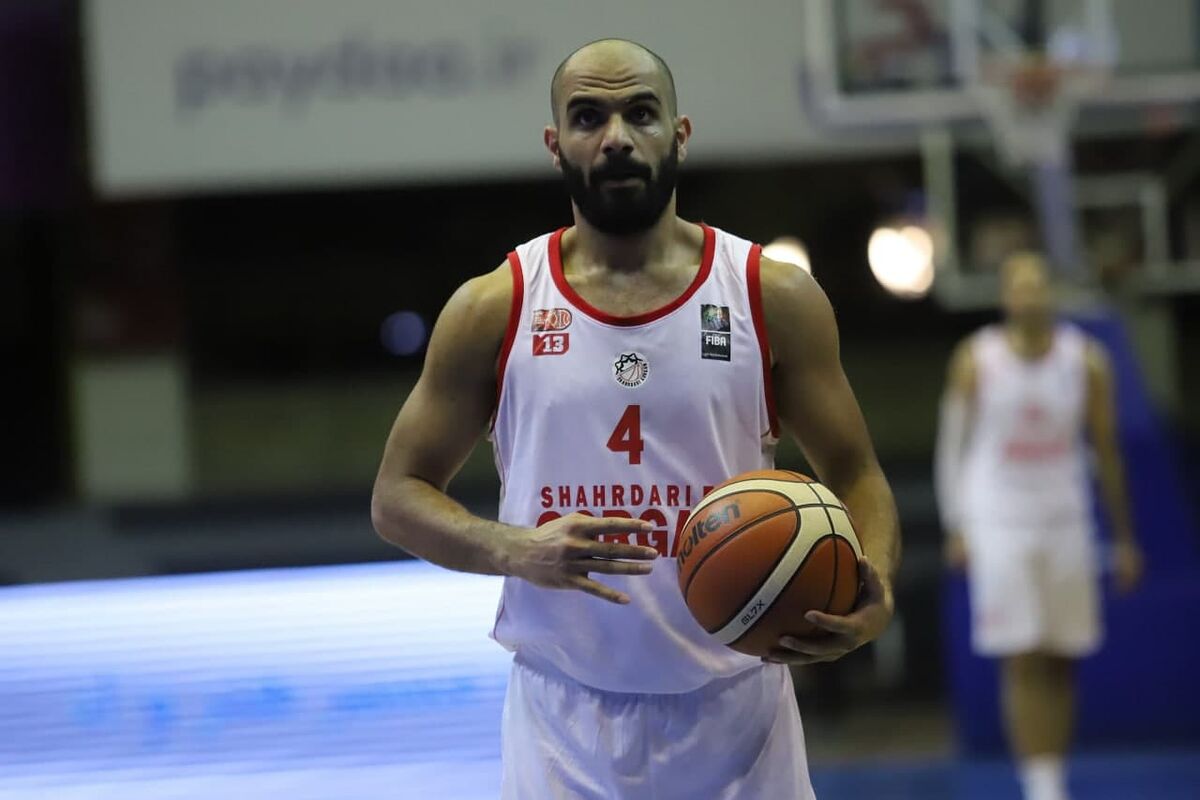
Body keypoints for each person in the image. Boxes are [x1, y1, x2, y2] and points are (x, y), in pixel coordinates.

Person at [371, 38, 900, 799]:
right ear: (556, 145)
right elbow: (396, 497)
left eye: (640, 114)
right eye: (588, 117)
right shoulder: (495, 306)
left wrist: (873, 582)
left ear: (679, 135)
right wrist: (516, 548)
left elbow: (855, 473)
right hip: (563, 718)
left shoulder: (769, 295)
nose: (616, 137)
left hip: (739, 710)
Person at [935, 252, 1144, 800]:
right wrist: (956, 523)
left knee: (1061, 655)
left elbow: (1107, 451)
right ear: (1005, 296)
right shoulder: (977, 358)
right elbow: (953, 444)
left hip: (1066, 517)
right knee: (1022, 653)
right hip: (999, 520)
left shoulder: (1086, 360)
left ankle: (1056, 770)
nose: (1028, 296)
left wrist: (1125, 537)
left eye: (1036, 285)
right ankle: (1041, 785)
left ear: (1052, 292)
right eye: (1018, 286)